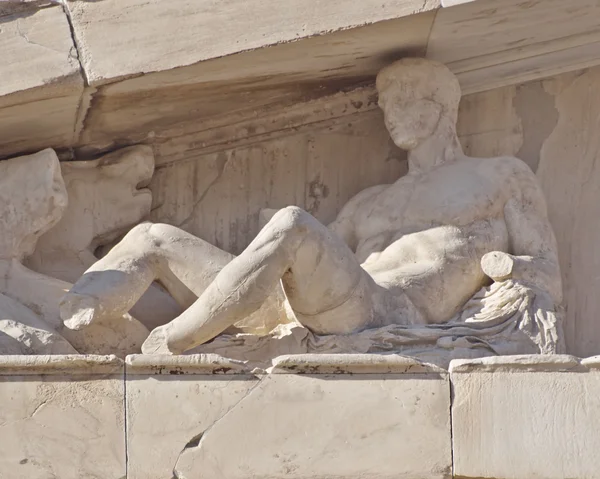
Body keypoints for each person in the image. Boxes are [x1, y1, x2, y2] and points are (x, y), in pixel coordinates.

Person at [60, 58, 562, 355]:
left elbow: (548, 273)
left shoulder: (499, 175)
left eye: (406, 98)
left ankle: (175, 340)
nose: (392, 112)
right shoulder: (372, 201)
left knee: (294, 223)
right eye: (386, 103)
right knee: (153, 238)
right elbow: (316, 259)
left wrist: (506, 267)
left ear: (444, 104)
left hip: (387, 310)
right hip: (310, 305)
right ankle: (73, 323)